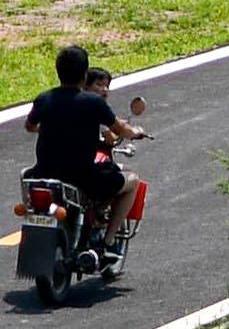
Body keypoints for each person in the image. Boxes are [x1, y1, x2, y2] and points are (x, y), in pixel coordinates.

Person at [23, 44, 141, 219]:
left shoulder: (44, 98)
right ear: (84, 75)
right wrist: (136, 132)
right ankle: (107, 240)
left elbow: (30, 126)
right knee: (132, 180)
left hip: (44, 172)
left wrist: (51, 129)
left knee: (26, 175)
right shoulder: (93, 102)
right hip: (83, 177)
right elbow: (119, 128)